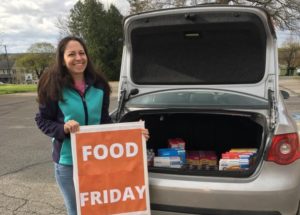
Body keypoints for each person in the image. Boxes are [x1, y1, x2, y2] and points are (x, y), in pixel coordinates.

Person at [35, 36, 149, 215]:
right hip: (68, 162)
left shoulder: (100, 85)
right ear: (63, 60)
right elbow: (42, 120)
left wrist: (133, 136)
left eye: (81, 53)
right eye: (71, 54)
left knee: (100, 210)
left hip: (97, 160)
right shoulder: (53, 86)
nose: (78, 58)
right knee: (76, 211)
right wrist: (62, 128)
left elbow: (104, 121)